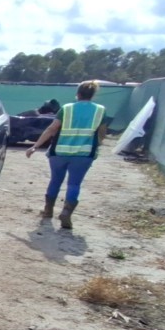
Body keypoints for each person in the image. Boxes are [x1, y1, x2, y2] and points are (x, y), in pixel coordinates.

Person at [26, 81, 107, 229]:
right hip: (84, 154)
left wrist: (35, 146)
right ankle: (66, 213)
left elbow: (52, 129)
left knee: (55, 181)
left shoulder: (66, 109)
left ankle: (48, 210)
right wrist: (99, 143)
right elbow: (101, 132)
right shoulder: (100, 110)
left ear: (78, 93)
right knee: (74, 184)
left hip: (60, 152)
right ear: (93, 94)